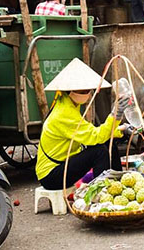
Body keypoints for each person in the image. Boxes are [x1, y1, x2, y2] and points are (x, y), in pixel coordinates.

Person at [36, 58, 130, 190]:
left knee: (108, 143)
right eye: (83, 91)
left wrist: (120, 130)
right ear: (69, 91)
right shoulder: (64, 113)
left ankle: (118, 185)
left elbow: (89, 133)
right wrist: (116, 115)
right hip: (52, 175)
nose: (87, 93)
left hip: (63, 165)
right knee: (100, 152)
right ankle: (103, 192)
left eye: (88, 90)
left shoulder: (68, 104)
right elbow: (95, 137)